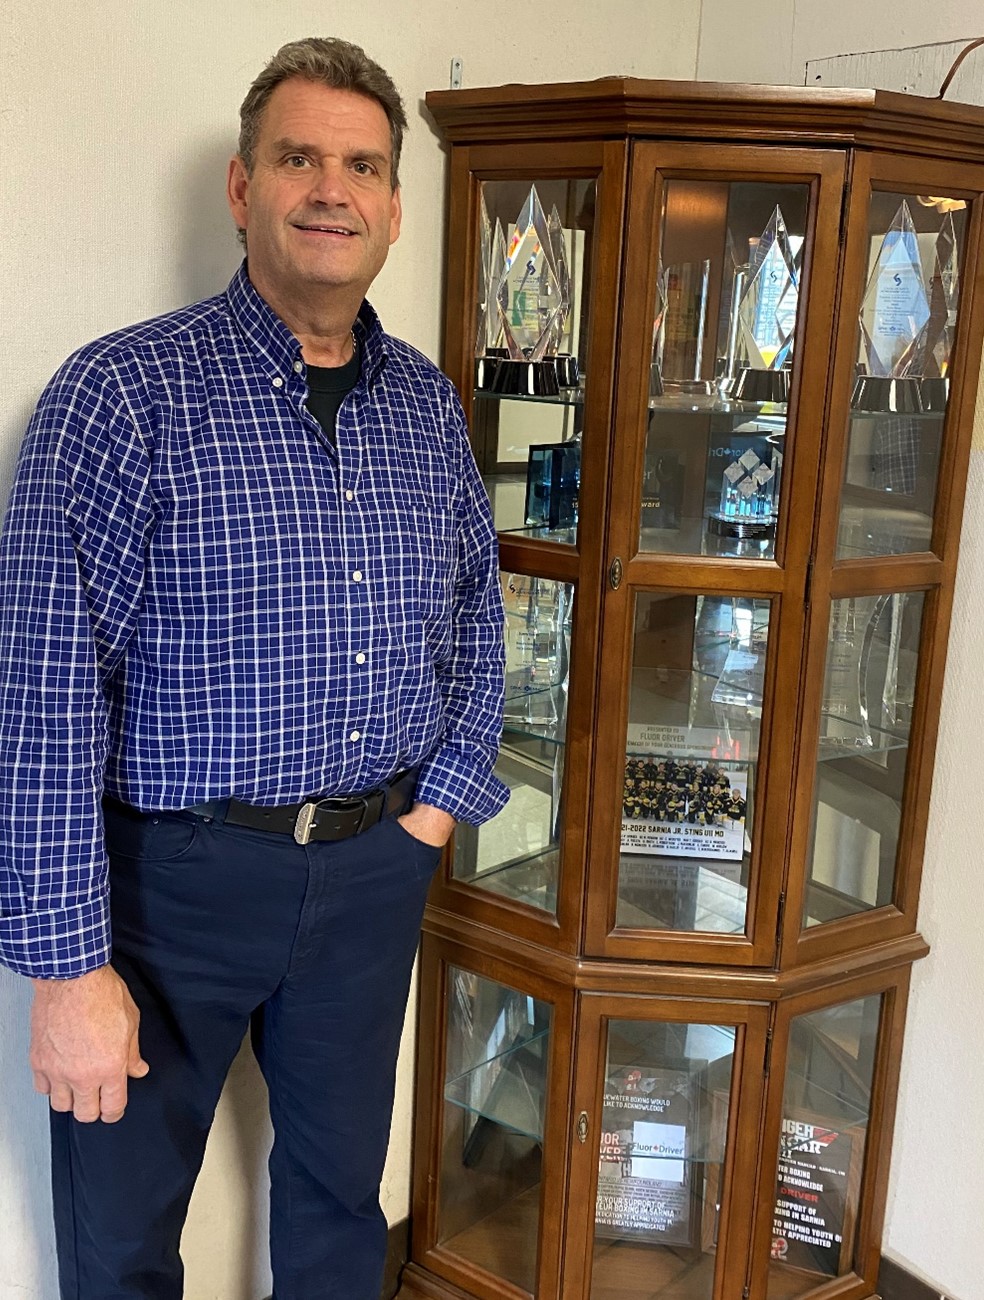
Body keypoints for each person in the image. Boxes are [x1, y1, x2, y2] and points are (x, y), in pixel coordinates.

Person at [0, 36, 507, 1300]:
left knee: (340, 1209)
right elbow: (42, 695)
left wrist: (433, 816)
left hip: (374, 870)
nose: (333, 190)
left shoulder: (429, 406)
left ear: (395, 205)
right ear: (243, 186)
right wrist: (66, 968)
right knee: (121, 1239)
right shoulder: (121, 395)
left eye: (363, 166)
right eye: (299, 159)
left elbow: (478, 618)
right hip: (170, 889)